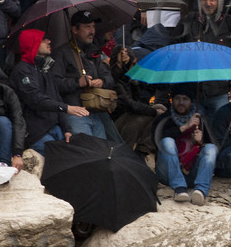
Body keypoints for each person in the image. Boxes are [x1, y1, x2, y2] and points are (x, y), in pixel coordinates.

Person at [52, 10, 118, 139]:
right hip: (75, 114)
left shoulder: (94, 52)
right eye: (87, 27)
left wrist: (102, 82)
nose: (92, 31)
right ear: (75, 30)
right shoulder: (62, 53)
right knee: (87, 151)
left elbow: (110, 78)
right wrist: (77, 82)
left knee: (102, 153)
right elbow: (54, 83)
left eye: (93, 26)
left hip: (96, 112)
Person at [13, 29, 71, 154]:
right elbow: (35, 99)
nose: (49, 41)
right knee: (58, 158)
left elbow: (57, 99)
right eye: (43, 39)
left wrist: (67, 129)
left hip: (55, 128)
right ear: (32, 43)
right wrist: (66, 108)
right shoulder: (22, 70)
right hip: (35, 133)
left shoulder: (45, 69)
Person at [154, 90, 215, 204]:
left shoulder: (200, 120)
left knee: (211, 148)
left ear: (192, 102)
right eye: (177, 98)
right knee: (167, 141)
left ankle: (201, 190)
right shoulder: (164, 118)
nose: (181, 102)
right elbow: (157, 140)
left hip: (192, 172)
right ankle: (179, 188)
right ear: (172, 101)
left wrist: (201, 141)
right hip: (167, 173)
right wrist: (186, 126)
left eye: (185, 99)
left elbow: (214, 146)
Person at [110, 47, 165, 151]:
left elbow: (137, 99)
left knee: (160, 107)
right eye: (133, 64)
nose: (135, 67)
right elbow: (131, 105)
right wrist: (154, 111)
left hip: (128, 115)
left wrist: (135, 85)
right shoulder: (116, 80)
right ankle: (126, 151)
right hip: (117, 121)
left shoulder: (127, 79)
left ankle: (143, 150)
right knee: (144, 117)